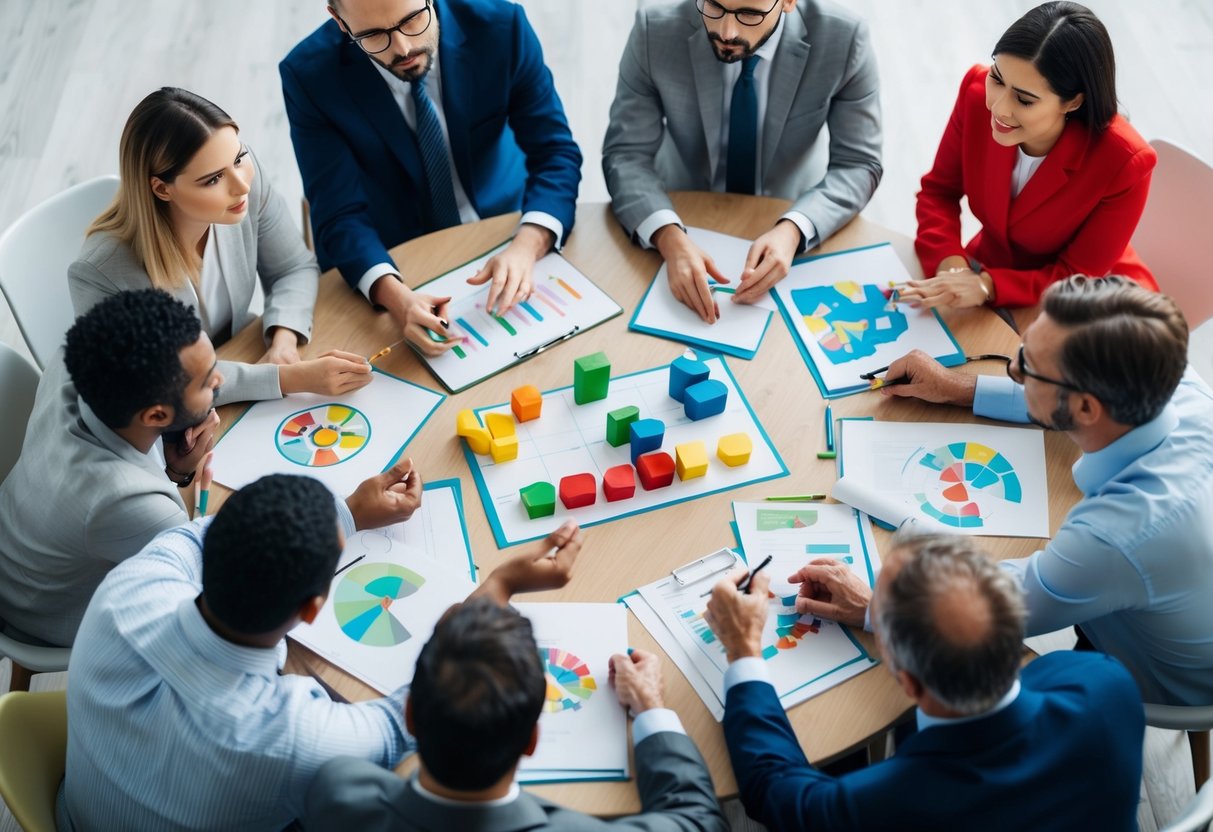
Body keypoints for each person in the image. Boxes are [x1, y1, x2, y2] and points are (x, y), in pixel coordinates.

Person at [58, 474, 585, 832]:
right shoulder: (292, 738)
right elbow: (422, 711)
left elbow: (202, 533)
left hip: (75, 810)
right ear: (312, 609)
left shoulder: (131, 584)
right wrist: (500, 585)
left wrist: (348, 512)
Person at [809, 276, 1213, 706]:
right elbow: (1061, 395)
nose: (1015, 371)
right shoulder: (1167, 378)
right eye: (1023, 351)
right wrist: (958, 388)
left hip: (1159, 675)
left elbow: (985, 610)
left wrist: (872, 606)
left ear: (1086, 409)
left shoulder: (1117, 536)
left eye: (1028, 367)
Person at [706, 531, 1144, 831]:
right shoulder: (1107, 682)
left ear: (910, 685)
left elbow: (775, 790)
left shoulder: (882, 801)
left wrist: (743, 649)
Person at [280, 0, 583, 351]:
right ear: (340, 21)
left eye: (412, 20)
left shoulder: (502, 25)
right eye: (374, 35)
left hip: (507, 225)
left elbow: (555, 152)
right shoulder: (308, 75)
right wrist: (396, 298)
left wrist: (527, 247)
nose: (403, 48)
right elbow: (338, 214)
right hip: (398, 257)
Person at [305, 601, 727, 831]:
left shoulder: (337, 788)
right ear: (531, 740)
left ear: (411, 715)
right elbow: (698, 819)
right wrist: (651, 706)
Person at [69, 87, 372, 406]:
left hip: (241, 357)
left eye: (239, 158)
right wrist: (287, 378)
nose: (242, 185)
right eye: (213, 179)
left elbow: (292, 266)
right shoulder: (101, 273)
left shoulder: (242, 184)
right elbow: (153, 383)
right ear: (161, 188)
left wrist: (284, 340)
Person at [602, 0, 882, 323]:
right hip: (681, 204)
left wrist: (794, 230)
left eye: (749, 13)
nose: (726, 31)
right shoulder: (654, 29)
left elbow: (859, 163)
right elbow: (625, 154)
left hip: (790, 203)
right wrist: (668, 237)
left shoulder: (844, 38)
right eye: (714, 6)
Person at [0, 290, 222, 647]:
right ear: (155, 416)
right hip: (41, 610)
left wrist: (175, 470)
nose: (220, 381)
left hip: (19, 541)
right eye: (207, 381)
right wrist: (181, 480)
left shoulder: (75, 363)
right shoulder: (133, 503)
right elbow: (199, 587)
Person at [905, 2, 1157, 310]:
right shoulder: (974, 94)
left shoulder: (1125, 161)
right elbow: (939, 192)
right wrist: (951, 268)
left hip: (1090, 304)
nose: (998, 108)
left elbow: (1077, 274)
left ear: (1073, 101)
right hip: (987, 272)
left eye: (1024, 100)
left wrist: (987, 285)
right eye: (997, 79)